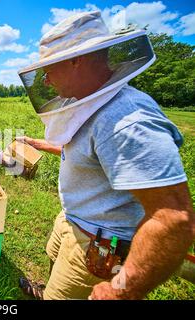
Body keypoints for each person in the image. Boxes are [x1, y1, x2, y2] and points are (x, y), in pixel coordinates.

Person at [13, 11, 194, 300]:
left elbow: (173, 220)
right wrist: (38, 143)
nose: (46, 81)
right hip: (73, 220)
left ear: (76, 60)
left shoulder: (126, 120)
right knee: (54, 261)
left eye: (49, 69)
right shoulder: (92, 104)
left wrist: (123, 288)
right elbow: (91, 154)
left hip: (100, 243)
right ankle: (48, 288)